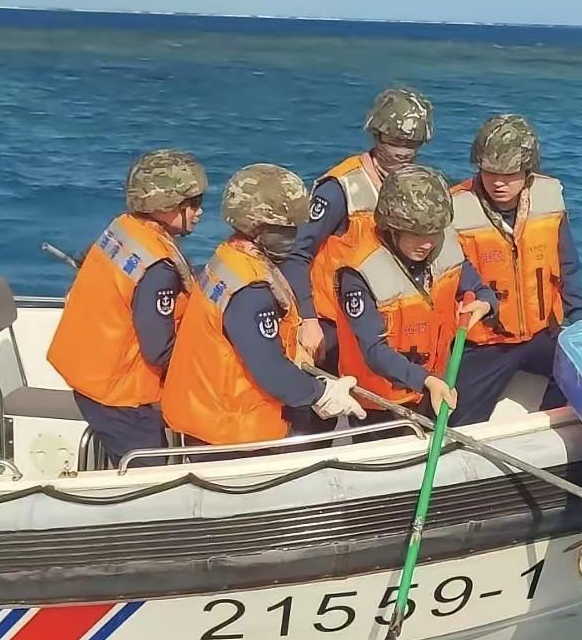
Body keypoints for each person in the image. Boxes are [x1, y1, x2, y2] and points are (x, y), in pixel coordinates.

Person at [162, 163, 365, 451]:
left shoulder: (227, 258)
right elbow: (269, 368)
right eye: (285, 231)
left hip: (206, 410)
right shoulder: (251, 292)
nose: (294, 238)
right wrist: (321, 394)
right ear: (257, 228)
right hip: (231, 430)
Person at [47, 149, 206, 465]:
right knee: (150, 477)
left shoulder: (123, 228)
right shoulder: (157, 268)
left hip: (89, 373)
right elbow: (159, 351)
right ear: (166, 206)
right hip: (121, 394)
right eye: (193, 204)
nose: (200, 212)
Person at [449, 114, 582, 426]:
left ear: (527, 172)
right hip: (484, 341)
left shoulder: (549, 198)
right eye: (489, 172)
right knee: (458, 419)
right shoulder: (455, 208)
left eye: (509, 174)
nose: (498, 182)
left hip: (542, 333)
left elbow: (567, 265)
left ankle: (551, 423)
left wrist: (580, 319)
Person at [335, 164, 495, 428]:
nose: (427, 244)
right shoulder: (358, 273)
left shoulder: (445, 248)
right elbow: (374, 351)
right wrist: (426, 380)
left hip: (435, 386)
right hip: (380, 402)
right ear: (391, 228)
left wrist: (485, 304)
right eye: (416, 235)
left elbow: (479, 288)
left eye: (433, 234)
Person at [286, 87, 435, 368]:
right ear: (378, 136)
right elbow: (297, 254)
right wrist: (308, 320)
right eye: (395, 143)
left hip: (384, 324)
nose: (402, 152)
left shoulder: (418, 187)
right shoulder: (340, 189)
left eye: (410, 146)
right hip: (333, 323)